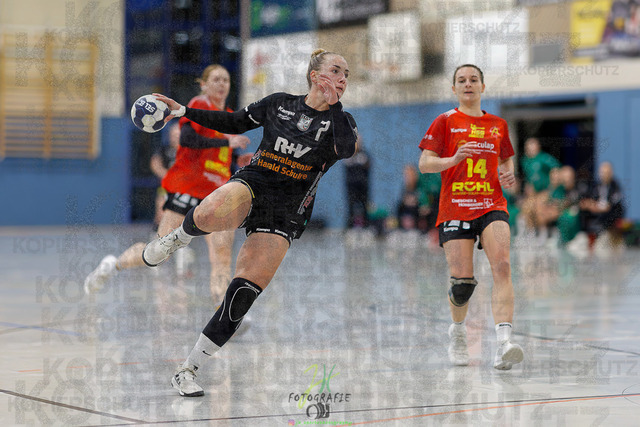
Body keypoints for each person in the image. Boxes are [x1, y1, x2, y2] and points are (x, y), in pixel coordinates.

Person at [142, 48, 357, 397]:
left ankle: (188, 369)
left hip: (286, 210)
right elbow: (234, 122)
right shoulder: (279, 103)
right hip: (255, 182)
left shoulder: (341, 121)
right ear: (315, 75)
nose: (343, 79)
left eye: (346, 74)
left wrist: (334, 106)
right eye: (336, 70)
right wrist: (183, 111)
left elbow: (346, 150)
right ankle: (175, 238)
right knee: (210, 211)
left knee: (241, 295)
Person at [84, 64, 251, 302]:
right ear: (203, 85)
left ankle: (223, 313)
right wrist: (227, 144)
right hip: (188, 188)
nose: (221, 84)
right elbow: (189, 139)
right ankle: (114, 265)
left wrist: (236, 159)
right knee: (159, 253)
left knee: (222, 256)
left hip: (216, 193)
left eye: (225, 80)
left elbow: (218, 153)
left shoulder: (228, 116)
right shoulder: (198, 105)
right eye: (216, 79)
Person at [418, 64, 524, 370]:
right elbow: (425, 164)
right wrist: (453, 159)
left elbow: (506, 159)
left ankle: (504, 345)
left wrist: (507, 174)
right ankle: (458, 333)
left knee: (502, 266)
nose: (468, 84)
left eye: (473, 79)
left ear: (482, 86)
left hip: (491, 203)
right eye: (462, 80)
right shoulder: (445, 121)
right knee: (462, 283)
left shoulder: (498, 124)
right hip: (456, 206)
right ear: (454, 89)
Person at [150, 123, 180, 231]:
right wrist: (167, 175)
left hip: (186, 188)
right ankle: (156, 233)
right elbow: (155, 163)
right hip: (167, 186)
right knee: (161, 209)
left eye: (177, 135)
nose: (175, 138)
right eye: (173, 135)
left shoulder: (189, 150)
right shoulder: (164, 149)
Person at [343, 139, 371, 228]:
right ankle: (350, 227)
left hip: (363, 187)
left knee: (365, 207)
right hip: (351, 188)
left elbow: (368, 165)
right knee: (351, 207)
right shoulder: (348, 154)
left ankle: (366, 226)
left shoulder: (364, 154)